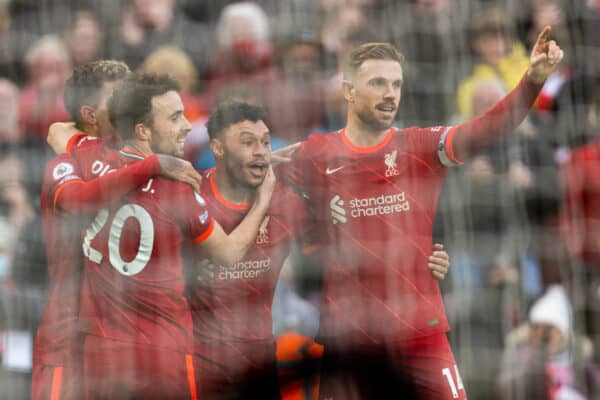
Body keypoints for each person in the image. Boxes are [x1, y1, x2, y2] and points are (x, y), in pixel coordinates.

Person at [276, 26, 564, 399]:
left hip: (419, 333)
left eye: (396, 84)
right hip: (351, 338)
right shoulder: (315, 154)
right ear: (348, 90)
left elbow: (486, 129)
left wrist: (532, 80)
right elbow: (258, 182)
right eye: (378, 83)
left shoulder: (418, 146)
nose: (390, 94)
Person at [184, 99, 451, 399]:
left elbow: (355, 234)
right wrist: (261, 202)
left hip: (257, 363)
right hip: (196, 364)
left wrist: (427, 256)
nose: (260, 150)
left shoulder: (287, 204)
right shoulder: (191, 197)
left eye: (265, 142)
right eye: (247, 142)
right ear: (218, 149)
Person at [67, 73, 274, 399]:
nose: (188, 126)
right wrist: (263, 200)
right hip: (161, 356)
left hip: (100, 354)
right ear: (143, 131)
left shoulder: (88, 161)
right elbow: (229, 252)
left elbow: (59, 132)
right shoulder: (176, 188)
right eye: (176, 117)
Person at [33, 61, 203, 400]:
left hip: (120, 343)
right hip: (65, 344)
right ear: (90, 114)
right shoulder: (68, 161)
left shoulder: (139, 166)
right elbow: (77, 194)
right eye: (117, 94)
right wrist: (153, 164)